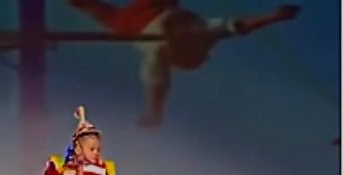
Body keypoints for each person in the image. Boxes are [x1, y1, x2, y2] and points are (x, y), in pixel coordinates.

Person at [68, 0, 300, 127]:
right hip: (159, 9)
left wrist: (153, 114)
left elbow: (156, 84)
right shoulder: (203, 34)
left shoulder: (158, 54)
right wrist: (274, 16)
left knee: (96, 9)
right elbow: (238, 26)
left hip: (134, 25)